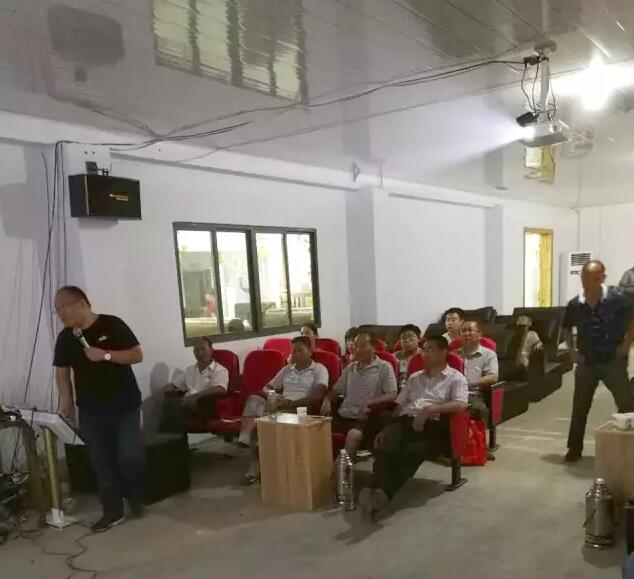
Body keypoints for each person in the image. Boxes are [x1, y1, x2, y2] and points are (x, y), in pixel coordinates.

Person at [53, 286, 145, 533]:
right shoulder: (66, 337)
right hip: (90, 410)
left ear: (82, 303)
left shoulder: (112, 324)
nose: (61, 314)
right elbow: (62, 371)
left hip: (124, 406)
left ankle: (135, 495)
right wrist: (66, 400)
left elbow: (136, 355)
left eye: (64, 307)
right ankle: (112, 511)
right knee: (101, 463)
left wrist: (105, 355)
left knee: (130, 456)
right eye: (57, 310)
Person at [359, 336, 468, 518]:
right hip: (405, 420)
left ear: (443, 353)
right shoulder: (415, 377)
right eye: (423, 350)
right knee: (387, 443)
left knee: (410, 451)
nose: (424, 354)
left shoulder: (455, 378)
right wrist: (387, 428)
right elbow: (399, 405)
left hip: (432, 424)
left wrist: (430, 409)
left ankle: (380, 491)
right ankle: (376, 490)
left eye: (430, 349)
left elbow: (461, 404)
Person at [563, 260, 634, 462]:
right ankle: (574, 448)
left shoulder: (618, 299)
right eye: (584, 277)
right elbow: (566, 328)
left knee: (626, 404)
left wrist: (626, 344)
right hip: (587, 362)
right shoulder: (575, 304)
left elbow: (632, 321)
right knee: (580, 406)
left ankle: (629, 448)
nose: (587, 282)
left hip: (613, 360)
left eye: (593, 278)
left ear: (602, 278)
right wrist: (572, 351)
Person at [238, 336, 328, 483]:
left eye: (300, 350)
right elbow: (267, 387)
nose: (296, 354)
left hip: (299, 408)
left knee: (260, 423)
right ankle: (246, 437)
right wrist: (273, 396)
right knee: (253, 399)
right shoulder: (287, 369)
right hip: (279, 404)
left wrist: (288, 404)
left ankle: (256, 464)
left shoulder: (319, 369)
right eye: (294, 351)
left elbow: (317, 397)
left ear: (310, 351)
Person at [321, 331, 397, 458]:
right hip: (343, 414)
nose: (356, 349)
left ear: (373, 348)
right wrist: (327, 401)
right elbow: (336, 391)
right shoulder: (351, 367)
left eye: (362, 346)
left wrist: (370, 403)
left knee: (353, 435)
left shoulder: (384, 367)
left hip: (364, 417)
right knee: (315, 430)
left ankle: (343, 468)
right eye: (355, 346)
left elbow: (392, 394)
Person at [161, 337, 229, 432]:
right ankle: (173, 438)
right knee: (168, 402)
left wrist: (196, 397)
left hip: (206, 405)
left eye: (203, 349)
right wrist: (162, 392)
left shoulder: (220, 370)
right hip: (188, 403)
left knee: (178, 409)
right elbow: (174, 385)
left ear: (211, 351)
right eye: (196, 350)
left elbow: (220, 388)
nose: (199, 352)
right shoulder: (190, 370)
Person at [453, 319, 499, 424]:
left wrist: (468, 384)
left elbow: (493, 377)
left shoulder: (489, 355)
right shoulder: (453, 355)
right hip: (450, 394)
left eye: (470, 330)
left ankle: (478, 434)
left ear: (479, 334)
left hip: (472, 394)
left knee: (478, 409)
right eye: (463, 331)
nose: (466, 334)